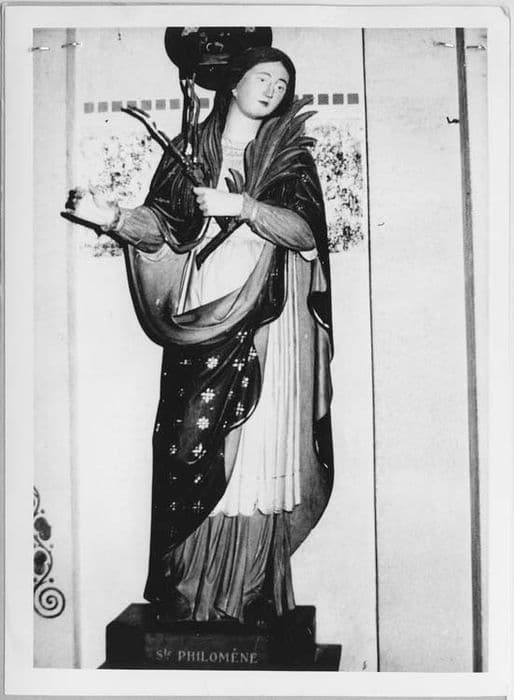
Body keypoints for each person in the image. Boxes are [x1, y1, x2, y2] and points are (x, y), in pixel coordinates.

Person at [64, 46, 334, 627]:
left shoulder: (289, 158)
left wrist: (242, 205)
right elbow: (159, 225)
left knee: (258, 448)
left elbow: (306, 233)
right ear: (233, 82)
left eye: (281, 83)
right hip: (201, 319)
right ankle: (189, 592)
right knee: (187, 444)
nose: (271, 89)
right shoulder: (191, 152)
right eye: (262, 77)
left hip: (268, 321)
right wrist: (114, 218)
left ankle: (249, 591)